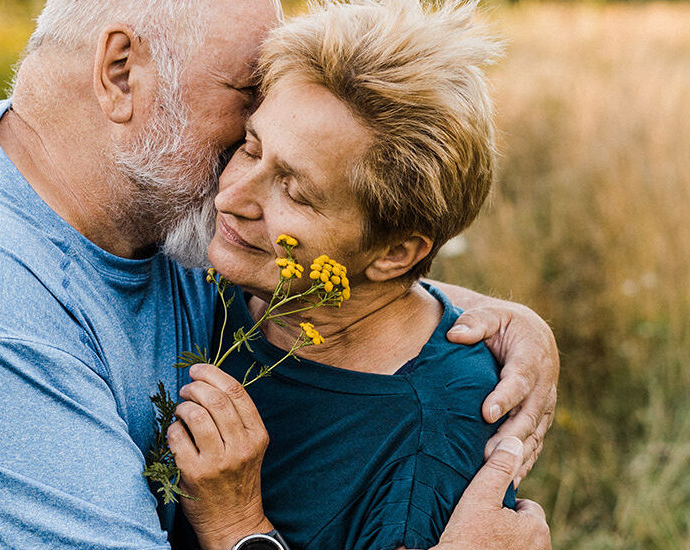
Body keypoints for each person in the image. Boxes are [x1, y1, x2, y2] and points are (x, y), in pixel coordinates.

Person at [0, 1, 556, 548]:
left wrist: (491, 319)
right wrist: (240, 533)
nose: (238, 180)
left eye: (290, 179)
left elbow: (360, 291)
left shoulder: (127, 201)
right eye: (245, 103)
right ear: (119, 72)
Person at [165, 2, 550, 549]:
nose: (230, 198)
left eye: (295, 191)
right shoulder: (224, 274)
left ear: (394, 253)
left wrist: (238, 528)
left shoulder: (430, 440)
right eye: (250, 148)